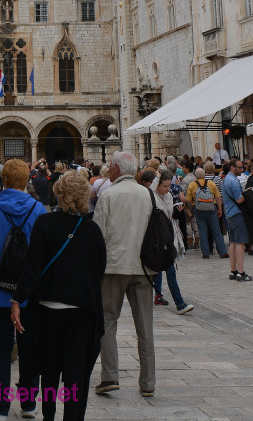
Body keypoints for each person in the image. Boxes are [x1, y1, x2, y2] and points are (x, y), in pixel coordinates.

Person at [12, 169, 106, 421]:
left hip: (47, 310)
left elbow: (32, 267)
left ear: (58, 193)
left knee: (50, 371)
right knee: (76, 374)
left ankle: (49, 415)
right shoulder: (92, 231)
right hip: (81, 313)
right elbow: (99, 270)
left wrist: (17, 300)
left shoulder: (44, 224)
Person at [0, 158, 46, 420]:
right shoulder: (37, 209)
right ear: (27, 180)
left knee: (1, 348)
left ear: (3, 180)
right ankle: (28, 405)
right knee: (28, 348)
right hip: (28, 292)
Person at [93, 151, 155, 398]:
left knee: (108, 321)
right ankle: (148, 382)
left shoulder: (108, 195)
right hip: (143, 268)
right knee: (145, 326)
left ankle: (109, 376)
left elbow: (99, 235)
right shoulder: (147, 194)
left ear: (116, 170)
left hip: (114, 268)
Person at [150, 169, 194, 314]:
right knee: (159, 271)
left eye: (169, 185)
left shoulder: (169, 196)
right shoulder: (152, 196)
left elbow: (169, 215)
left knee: (169, 271)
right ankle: (173, 302)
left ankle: (178, 303)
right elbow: (149, 192)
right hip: (156, 238)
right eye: (164, 186)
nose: (168, 189)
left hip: (168, 237)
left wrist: (176, 212)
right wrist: (156, 178)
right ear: (157, 185)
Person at [185, 167, 228, 259]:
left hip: (199, 210)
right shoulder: (211, 184)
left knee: (202, 231)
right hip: (212, 208)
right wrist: (220, 209)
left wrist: (193, 205)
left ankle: (205, 253)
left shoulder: (192, 185)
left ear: (196, 176)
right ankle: (223, 252)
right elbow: (218, 198)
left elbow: (188, 200)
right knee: (216, 231)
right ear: (204, 175)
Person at [222, 158, 252, 281]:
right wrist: (248, 194)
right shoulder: (234, 181)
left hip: (229, 213)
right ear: (232, 168)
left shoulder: (226, 179)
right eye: (239, 167)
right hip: (237, 213)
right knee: (240, 243)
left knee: (233, 242)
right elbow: (239, 199)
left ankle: (233, 271)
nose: (242, 169)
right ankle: (241, 272)